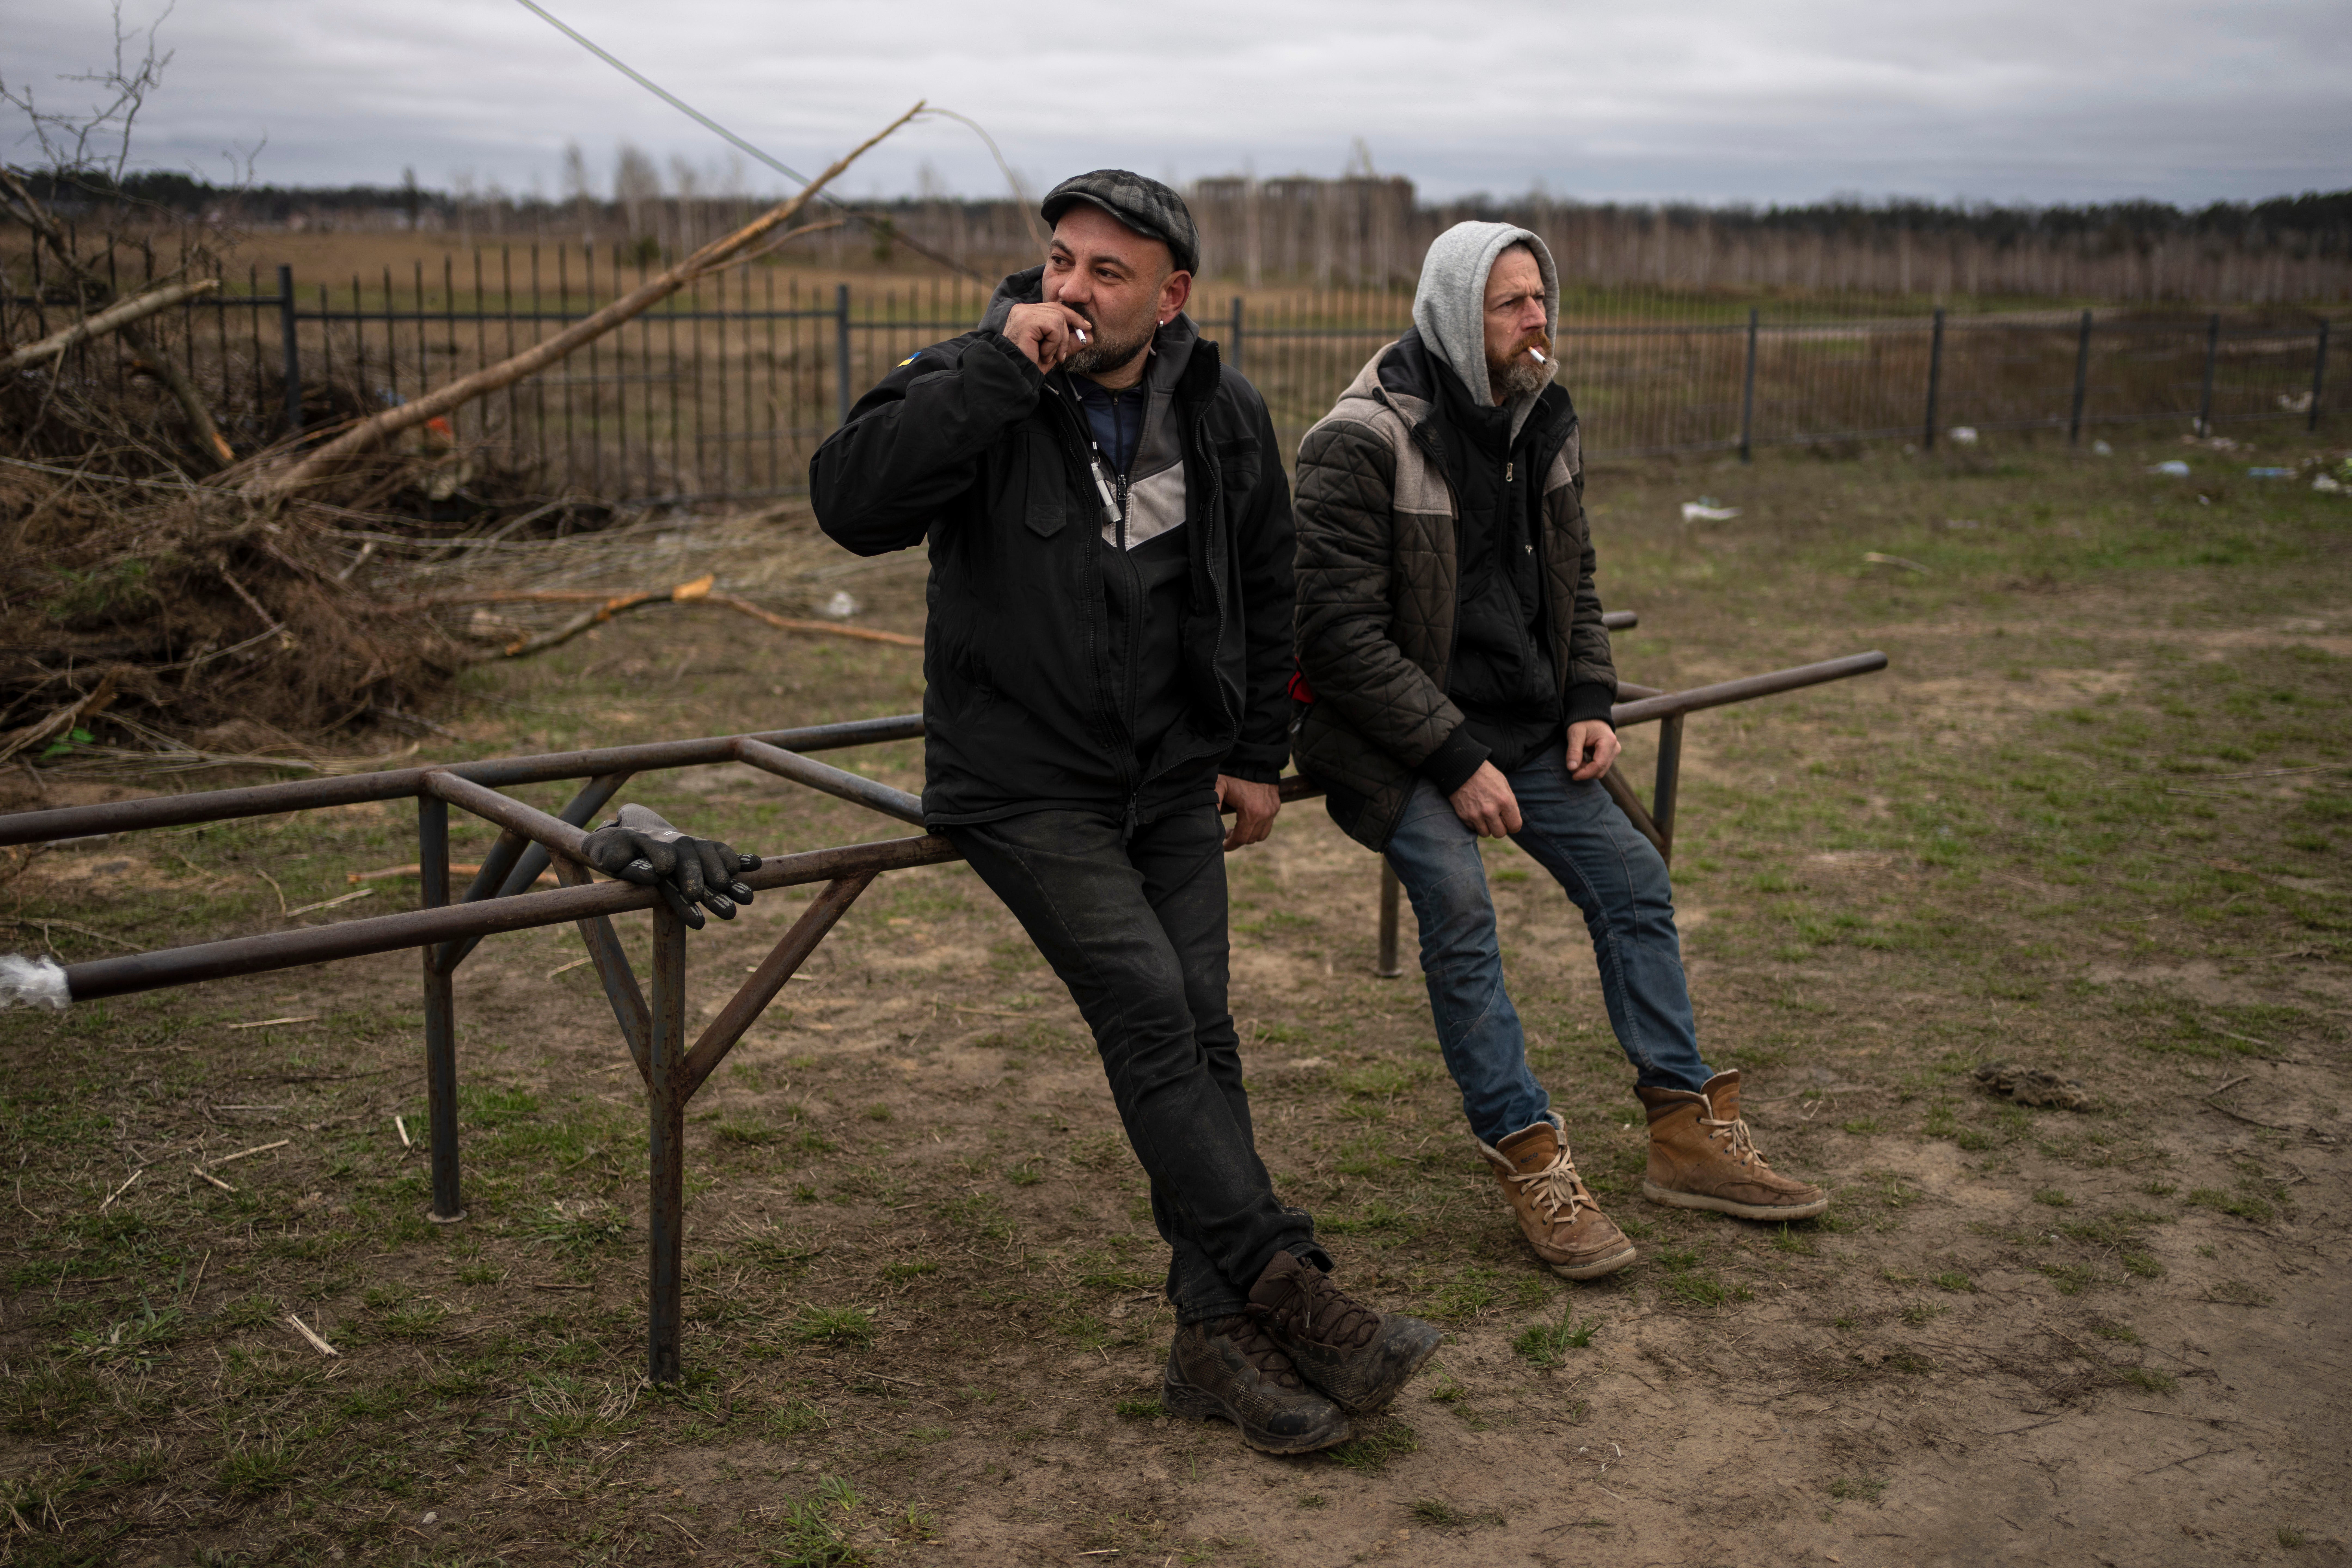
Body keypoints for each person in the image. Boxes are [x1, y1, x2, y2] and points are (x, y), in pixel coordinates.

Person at [809, 171, 1438, 1453]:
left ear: (1172, 294)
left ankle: (1213, 1341)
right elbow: (849, 506)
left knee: (1201, 1030)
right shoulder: (971, 377)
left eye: (1108, 272)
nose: (1074, 291)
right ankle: (1287, 1285)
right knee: (1150, 1006)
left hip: (1169, 780)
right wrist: (997, 370)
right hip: (1020, 784)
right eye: (1060, 263)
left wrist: (1257, 752)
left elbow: (1271, 588)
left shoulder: (1220, 411)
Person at [1289, 222, 1829, 1283]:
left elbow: (1573, 578)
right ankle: (1529, 1155)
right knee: (1460, 903)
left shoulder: (1540, 416)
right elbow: (1336, 642)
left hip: (1519, 719)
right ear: (1455, 313)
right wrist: (1452, 757)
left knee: (1633, 874)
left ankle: (1683, 1134)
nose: (1538, 321)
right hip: (1387, 738)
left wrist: (1588, 696)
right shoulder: (1358, 441)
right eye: (1512, 304)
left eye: (1541, 299)